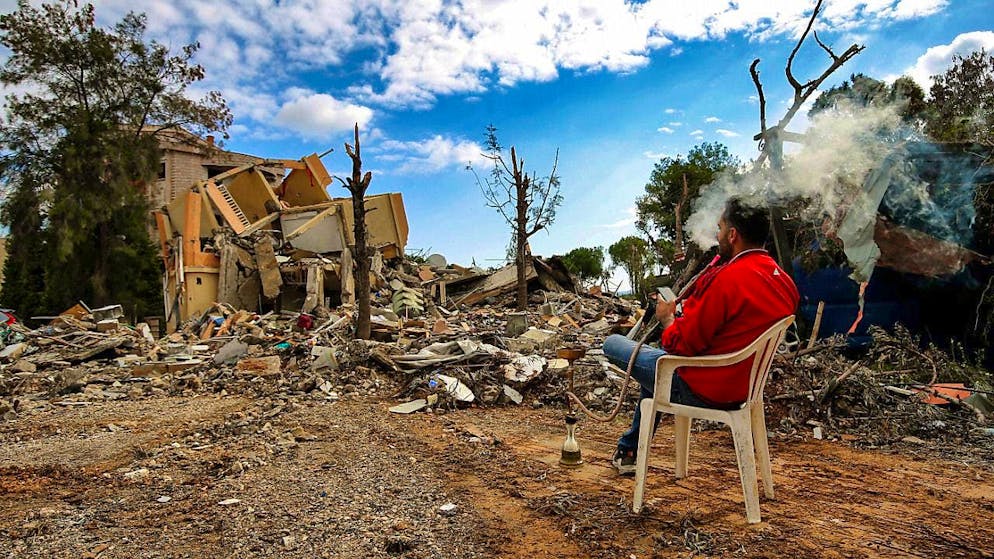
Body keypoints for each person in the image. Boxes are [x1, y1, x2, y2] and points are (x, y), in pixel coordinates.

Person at [604, 196, 799, 475]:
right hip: (745, 388)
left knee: (613, 344)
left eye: (720, 228)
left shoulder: (729, 279)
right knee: (655, 374)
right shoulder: (784, 281)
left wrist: (668, 319)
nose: (716, 235)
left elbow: (680, 346)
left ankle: (630, 449)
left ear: (733, 235)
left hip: (704, 387)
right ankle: (629, 449)